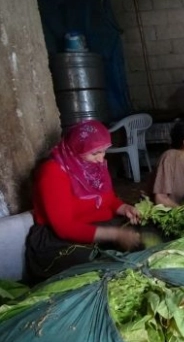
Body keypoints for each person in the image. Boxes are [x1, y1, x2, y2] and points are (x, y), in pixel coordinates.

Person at [25, 120, 142, 284]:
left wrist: (124, 208)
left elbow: (109, 199)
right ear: (75, 150)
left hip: (98, 225)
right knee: (97, 270)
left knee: (142, 237)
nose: (101, 159)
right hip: (60, 239)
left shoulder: (94, 167)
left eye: (104, 152)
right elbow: (64, 227)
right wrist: (116, 234)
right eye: (95, 153)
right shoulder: (53, 172)